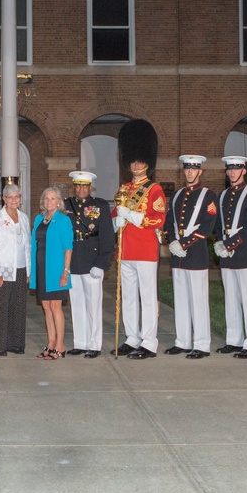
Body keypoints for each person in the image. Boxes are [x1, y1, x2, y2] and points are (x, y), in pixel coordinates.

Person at [112, 119, 167, 360]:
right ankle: (132, 337)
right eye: (132, 159)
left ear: (148, 162)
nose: (136, 163)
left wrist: (132, 216)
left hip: (145, 251)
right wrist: (117, 220)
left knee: (147, 297)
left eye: (140, 159)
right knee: (129, 298)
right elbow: (115, 214)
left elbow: (158, 219)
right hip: (126, 251)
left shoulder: (154, 190)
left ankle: (149, 341)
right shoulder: (124, 188)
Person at [163, 155, 218, 359]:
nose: (190, 173)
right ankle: (183, 341)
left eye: (194, 169)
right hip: (178, 257)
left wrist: (183, 243)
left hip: (195, 254)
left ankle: (202, 344)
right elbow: (169, 223)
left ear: (200, 172)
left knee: (198, 300)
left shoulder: (208, 195)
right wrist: (171, 242)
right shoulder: (177, 195)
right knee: (181, 300)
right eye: (187, 169)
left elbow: (207, 225)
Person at [213, 156, 247, 359]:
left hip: (243, 252)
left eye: (236, 169)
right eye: (230, 170)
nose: (232, 173)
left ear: (244, 170)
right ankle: (233, 339)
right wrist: (220, 242)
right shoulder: (223, 195)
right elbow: (218, 223)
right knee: (231, 298)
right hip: (226, 253)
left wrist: (230, 244)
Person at [63, 171, 113, 358]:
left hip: (92, 261)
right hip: (73, 259)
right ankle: (80, 342)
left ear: (90, 187)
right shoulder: (66, 205)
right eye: (78, 185)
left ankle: (94, 344)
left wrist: (102, 263)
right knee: (76, 304)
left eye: (85, 186)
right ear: (74, 186)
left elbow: (107, 236)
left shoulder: (99, 205)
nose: (81, 189)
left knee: (93, 305)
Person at [0, 183, 30, 356]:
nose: (13, 200)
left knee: (17, 307)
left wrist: (28, 271)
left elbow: (27, 245)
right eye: (10, 197)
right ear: (4, 199)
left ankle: (16, 343)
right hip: (2, 270)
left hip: (20, 268)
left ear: (20, 198)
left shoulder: (24, 218)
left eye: (17, 196)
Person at [31, 187, 73, 360]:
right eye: (46, 198)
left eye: (53, 198)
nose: (49, 201)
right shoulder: (39, 219)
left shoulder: (63, 220)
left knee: (55, 307)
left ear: (59, 201)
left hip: (56, 270)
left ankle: (60, 345)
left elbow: (68, 248)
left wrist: (65, 272)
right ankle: (51, 342)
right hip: (41, 269)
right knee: (46, 307)